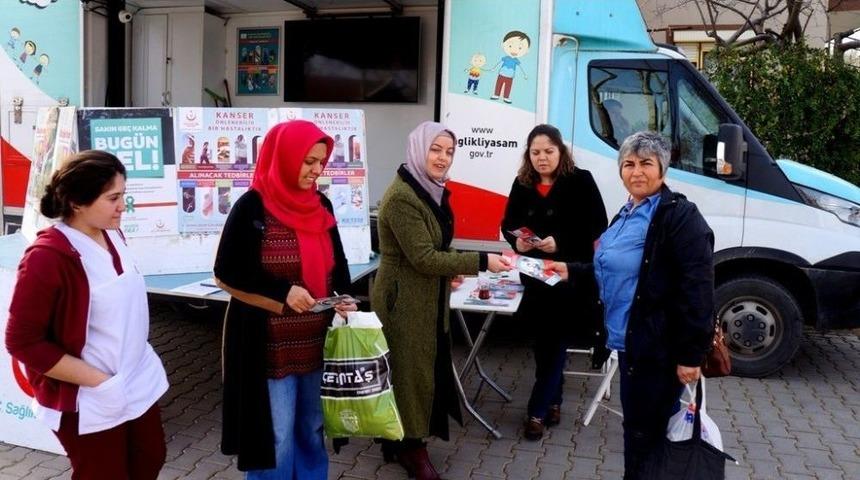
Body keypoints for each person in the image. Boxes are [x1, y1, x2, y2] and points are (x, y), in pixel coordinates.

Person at [550, 131, 715, 479]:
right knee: (638, 431)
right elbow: (612, 269)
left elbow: (698, 289)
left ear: (662, 169)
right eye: (628, 164)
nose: (636, 171)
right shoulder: (627, 212)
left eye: (646, 163)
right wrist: (570, 270)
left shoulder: (679, 217)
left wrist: (691, 354)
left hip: (658, 348)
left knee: (646, 435)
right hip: (630, 344)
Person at [5, 150, 169, 479]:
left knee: (150, 458)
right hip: (88, 395)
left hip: (135, 379)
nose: (123, 206)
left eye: (123, 195)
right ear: (78, 203)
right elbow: (22, 341)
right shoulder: (47, 257)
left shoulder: (112, 233)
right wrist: (99, 381)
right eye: (113, 198)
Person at [214, 120, 356, 478]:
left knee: (312, 429)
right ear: (286, 157)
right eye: (308, 161)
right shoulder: (251, 207)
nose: (317, 169)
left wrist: (343, 298)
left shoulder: (321, 203)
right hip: (269, 347)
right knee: (276, 436)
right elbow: (226, 271)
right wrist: (283, 293)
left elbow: (337, 264)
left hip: (317, 343)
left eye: (321, 161)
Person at [372, 121, 511, 480]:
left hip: (425, 296)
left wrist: (452, 268)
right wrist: (481, 261)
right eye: (435, 149)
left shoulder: (429, 189)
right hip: (403, 300)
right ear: (419, 149)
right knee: (410, 372)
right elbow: (423, 258)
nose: (443, 158)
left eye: (449, 151)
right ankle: (412, 449)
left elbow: (436, 247)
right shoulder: (402, 197)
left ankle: (397, 441)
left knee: (419, 368)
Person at [500, 124, 608, 440]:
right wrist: (518, 242)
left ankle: (536, 412)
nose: (542, 158)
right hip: (534, 276)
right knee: (543, 344)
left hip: (567, 275)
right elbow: (509, 223)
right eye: (535, 152)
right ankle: (554, 401)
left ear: (561, 151)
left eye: (548, 151)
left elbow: (598, 223)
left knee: (555, 342)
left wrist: (559, 241)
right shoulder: (522, 183)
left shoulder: (581, 180)